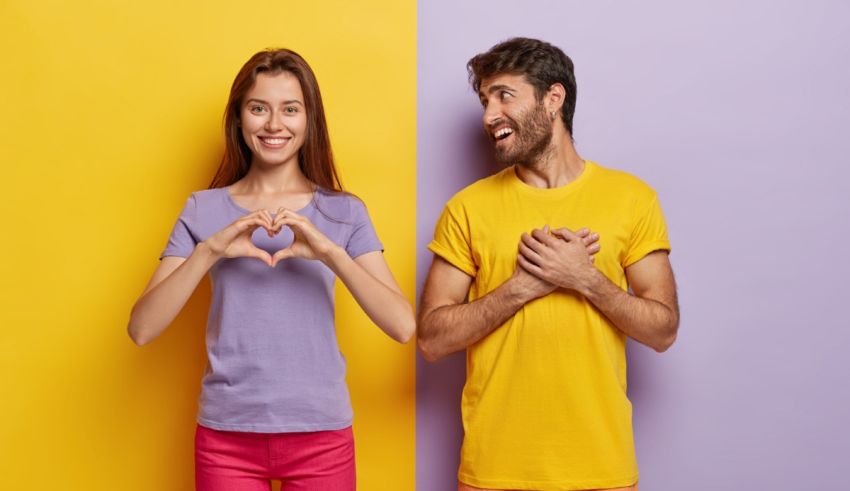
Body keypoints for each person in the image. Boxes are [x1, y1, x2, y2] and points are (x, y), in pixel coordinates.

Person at [128, 48, 414, 491]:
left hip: (322, 435)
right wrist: (211, 250)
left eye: (290, 110)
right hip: (226, 438)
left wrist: (330, 253)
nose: (274, 124)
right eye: (258, 108)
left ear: (309, 119)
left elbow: (401, 325)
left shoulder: (343, 212)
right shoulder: (203, 209)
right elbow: (142, 328)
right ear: (239, 118)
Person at [417, 37, 679, 491]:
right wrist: (521, 287)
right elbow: (432, 340)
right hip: (494, 471)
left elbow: (663, 330)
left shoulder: (632, 200)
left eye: (504, 95)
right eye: (484, 100)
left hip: (601, 470)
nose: (488, 115)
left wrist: (585, 280)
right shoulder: (468, 208)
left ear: (553, 98)